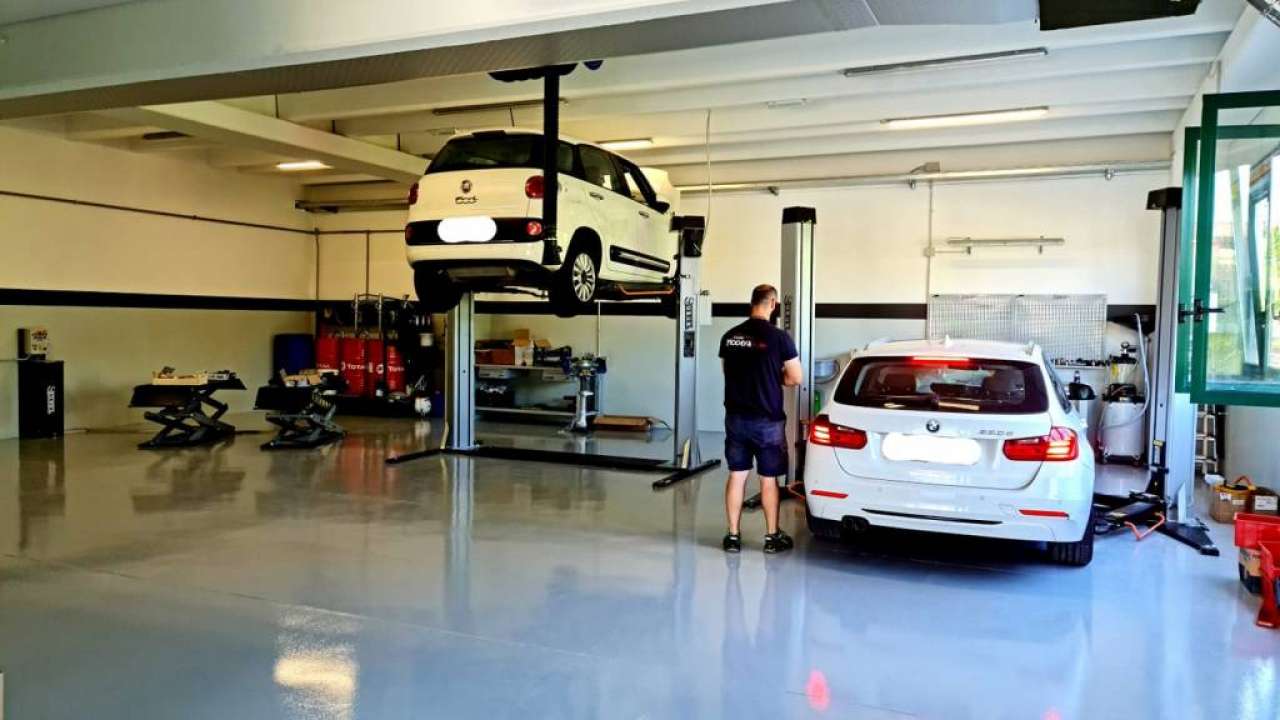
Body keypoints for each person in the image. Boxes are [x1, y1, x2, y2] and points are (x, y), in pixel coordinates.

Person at [718, 284, 803, 553]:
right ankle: (771, 537)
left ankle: (733, 536)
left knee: (737, 475)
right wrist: (774, 377)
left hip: (736, 418)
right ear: (773, 304)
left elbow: (727, 372)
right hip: (767, 420)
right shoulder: (780, 338)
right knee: (768, 479)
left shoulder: (730, 336)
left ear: (751, 302)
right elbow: (795, 377)